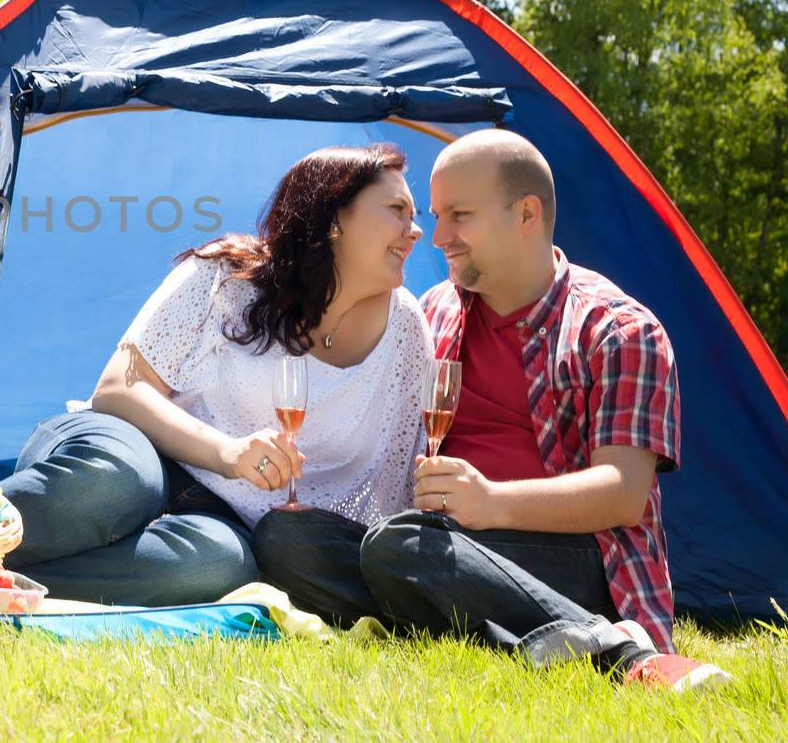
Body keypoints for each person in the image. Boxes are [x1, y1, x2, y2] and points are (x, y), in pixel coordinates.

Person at [253, 129, 732, 691]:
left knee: (402, 546)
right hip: (446, 548)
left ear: (526, 213)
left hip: (576, 561)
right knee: (285, 539)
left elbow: (624, 494)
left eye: (459, 215)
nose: (438, 237)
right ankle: (501, 635)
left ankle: (622, 654)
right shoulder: (433, 314)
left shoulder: (618, 330)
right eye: (435, 216)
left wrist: (490, 502)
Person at [0, 144, 431, 606]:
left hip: (219, 521)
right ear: (334, 220)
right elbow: (118, 389)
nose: (416, 230)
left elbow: (397, 482)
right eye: (397, 211)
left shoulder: (405, 330)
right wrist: (227, 452)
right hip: (130, 444)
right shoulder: (224, 276)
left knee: (222, 567)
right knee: (118, 482)